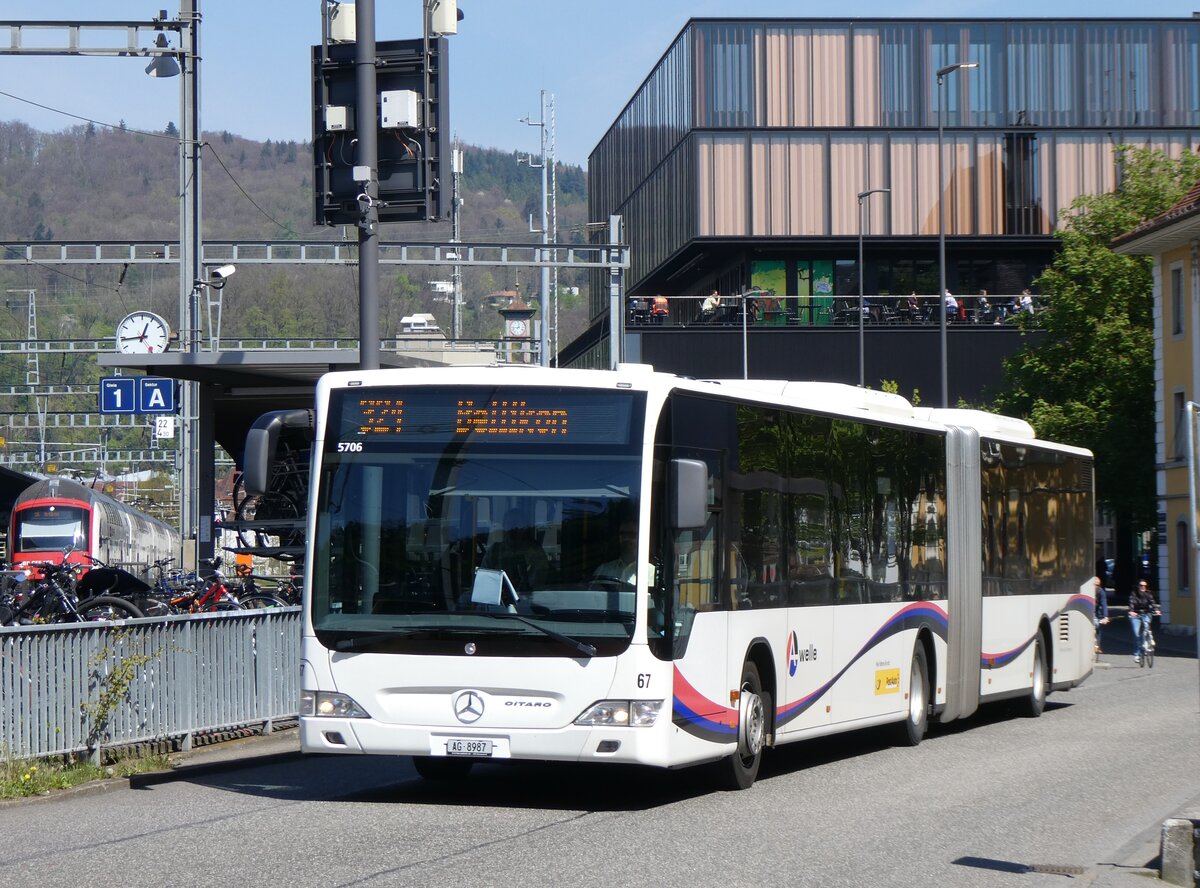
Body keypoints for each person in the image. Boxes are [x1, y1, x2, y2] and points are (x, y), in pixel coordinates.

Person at [482, 508, 549, 592]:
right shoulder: (495, 551)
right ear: (504, 526)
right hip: (500, 597)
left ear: (524, 528)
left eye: (517, 525)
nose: (513, 529)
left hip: (529, 597)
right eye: (510, 524)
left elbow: (539, 579)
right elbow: (484, 580)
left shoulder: (535, 551)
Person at [593, 520, 637, 586]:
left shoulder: (650, 572)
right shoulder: (603, 570)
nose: (626, 538)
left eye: (631, 534)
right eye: (623, 534)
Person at [1127, 579, 1159, 665]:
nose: (1143, 587)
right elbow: (1131, 603)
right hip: (1136, 615)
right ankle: (1137, 654)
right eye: (1141, 585)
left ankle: (1148, 641)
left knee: (1146, 628)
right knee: (1136, 634)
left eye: (1145, 586)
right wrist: (1131, 611)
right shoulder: (1134, 594)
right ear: (1138, 586)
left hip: (1146, 614)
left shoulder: (1148, 594)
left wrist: (1156, 610)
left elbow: (1152, 603)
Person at [1092, 575, 1109, 653]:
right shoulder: (1087, 591)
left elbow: (1104, 604)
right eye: (1095, 585)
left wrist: (1105, 616)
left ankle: (1098, 646)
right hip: (1088, 611)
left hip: (1096, 612)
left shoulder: (1101, 591)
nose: (1097, 587)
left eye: (1098, 585)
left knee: (1098, 628)